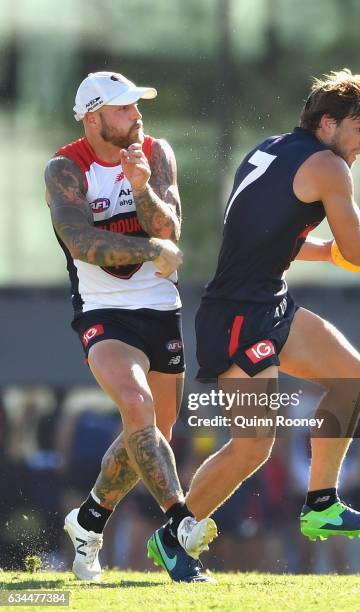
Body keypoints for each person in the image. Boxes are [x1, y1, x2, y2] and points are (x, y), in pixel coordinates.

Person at [146, 68, 360, 577]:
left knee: (352, 377)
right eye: (358, 131)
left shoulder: (272, 148)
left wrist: (330, 253)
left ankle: (323, 503)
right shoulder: (329, 165)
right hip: (241, 315)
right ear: (328, 123)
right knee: (252, 448)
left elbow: (263, 233)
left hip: (265, 303)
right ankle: (172, 537)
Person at [44, 71, 217, 583]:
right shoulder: (65, 168)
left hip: (161, 309)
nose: (136, 116)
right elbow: (79, 242)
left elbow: (169, 227)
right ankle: (180, 524)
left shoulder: (155, 153)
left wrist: (141, 186)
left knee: (151, 437)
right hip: (103, 312)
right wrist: (150, 251)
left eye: (137, 106)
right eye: (123, 109)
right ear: (93, 118)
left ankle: (89, 522)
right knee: (138, 407)